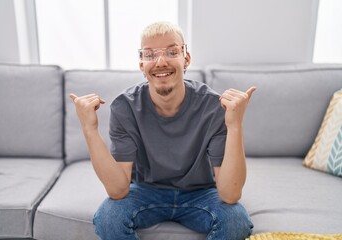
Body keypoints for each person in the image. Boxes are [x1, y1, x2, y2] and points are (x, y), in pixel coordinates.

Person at [70, 21, 255, 240]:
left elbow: (230, 194)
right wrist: (89, 129)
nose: (160, 61)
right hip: (145, 191)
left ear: (186, 58)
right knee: (109, 218)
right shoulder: (125, 107)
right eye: (149, 54)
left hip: (201, 192)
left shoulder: (213, 107)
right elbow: (118, 190)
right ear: (141, 64)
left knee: (236, 221)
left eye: (171, 51)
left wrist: (235, 125)